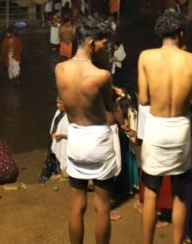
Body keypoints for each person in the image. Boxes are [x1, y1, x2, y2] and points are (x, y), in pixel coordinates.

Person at [55, 16, 123, 244]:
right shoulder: (102, 75)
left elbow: (70, 102)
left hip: (76, 139)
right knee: (102, 207)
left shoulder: (60, 69)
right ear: (91, 42)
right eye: (103, 43)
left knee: (77, 204)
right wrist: (116, 100)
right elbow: (110, 116)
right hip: (98, 141)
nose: (105, 48)